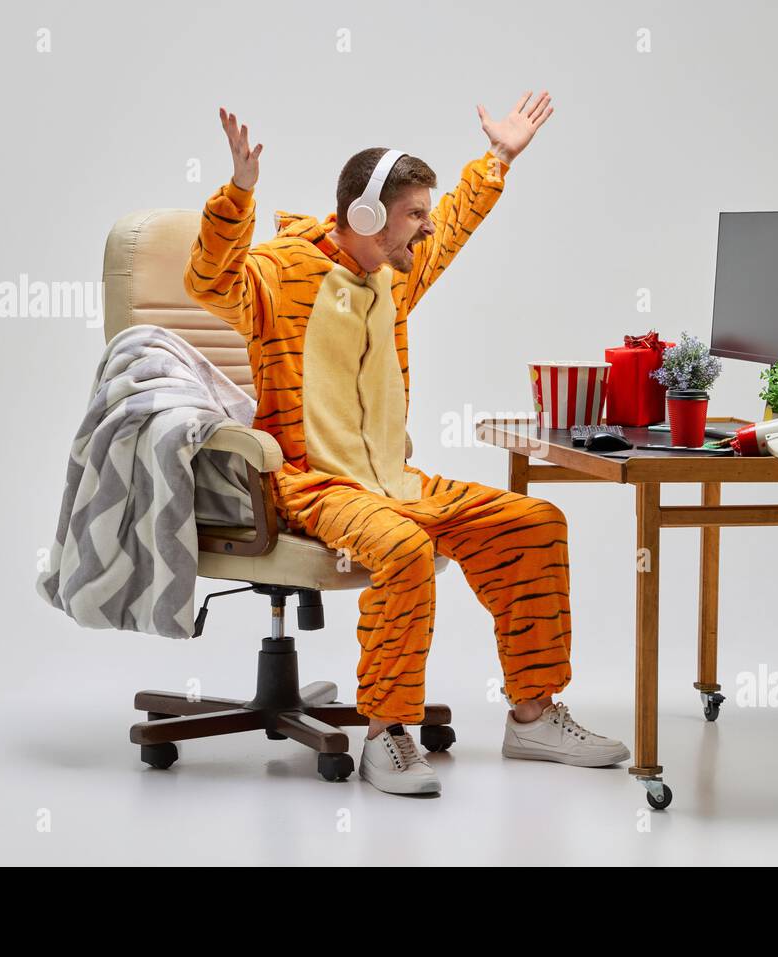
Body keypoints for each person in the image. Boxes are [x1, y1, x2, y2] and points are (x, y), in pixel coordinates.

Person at [183, 93, 629, 796]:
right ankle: (388, 731)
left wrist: (498, 159)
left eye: (423, 211)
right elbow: (207, 281)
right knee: (402, 548)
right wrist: (238, 194)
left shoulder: (396, 269)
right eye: (411, 214)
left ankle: (534, 713)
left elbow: (453, 226)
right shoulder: (278, 272)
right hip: (310, 483)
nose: (424, 227)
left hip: (394, 478)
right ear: (364, 215)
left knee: (533, 522)